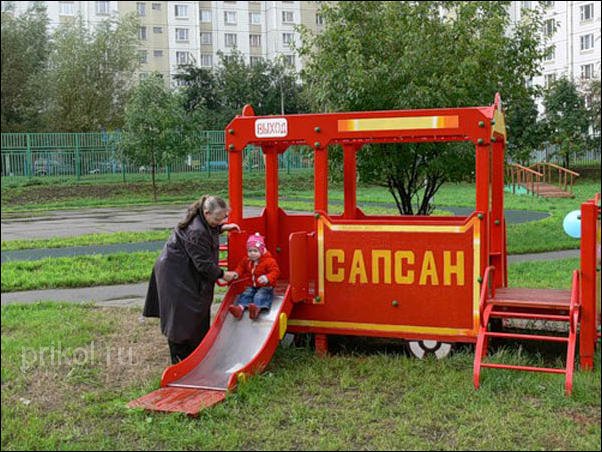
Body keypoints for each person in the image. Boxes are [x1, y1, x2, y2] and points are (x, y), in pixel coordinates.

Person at [143, 195, 240, 364]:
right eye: (217, 219)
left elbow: (209, 228)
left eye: (223, 218)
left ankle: (195, 353)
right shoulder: (196, 231)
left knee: (195, 311)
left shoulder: (202, 220)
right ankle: (179, 358)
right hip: (175, 274)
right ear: (206, 212)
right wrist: (223, 274)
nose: (220, 221)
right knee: (181, 316)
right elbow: (203, 263)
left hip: (183, 270)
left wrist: (221, 228)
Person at [228, 233, 280, 321]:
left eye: (255, 251)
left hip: (265, 286)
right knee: (246, 294)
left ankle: (256, 309)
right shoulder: (247, 260)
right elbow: (241, 267)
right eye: (250, 251)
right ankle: (240, 308)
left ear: (262, 251)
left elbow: (275, 272)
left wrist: (267, 278)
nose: (252, 253)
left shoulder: (269, 261)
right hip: (252, 285)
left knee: (260, 295)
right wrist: (236, 273)